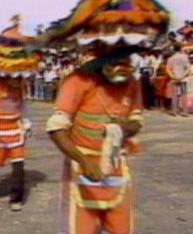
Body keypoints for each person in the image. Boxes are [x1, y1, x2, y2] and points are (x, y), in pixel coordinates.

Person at [47, 49, 143, 234]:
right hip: (81, 171)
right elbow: (56, 129)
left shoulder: (132, 82)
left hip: (118, 169)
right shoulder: (76, 81)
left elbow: (136, 122)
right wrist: (83, 161)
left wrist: (124, 128)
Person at [0, 18, 38, 211]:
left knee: (19, 164)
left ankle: (16, 197)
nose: (17, 79)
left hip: (15, 129)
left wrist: (26, 123)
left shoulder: (21, 85)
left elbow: (22, 106)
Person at [166, 44, 189, 116]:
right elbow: (188, 68)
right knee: (184, 95)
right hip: (183, 78)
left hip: (174, 77)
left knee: (174, 95)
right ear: (180, 49)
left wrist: (173, 76)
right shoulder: (185, 58)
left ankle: (174, 111)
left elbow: (168, 69)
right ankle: (185, 111)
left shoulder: (171, 58)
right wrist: (183, 76)